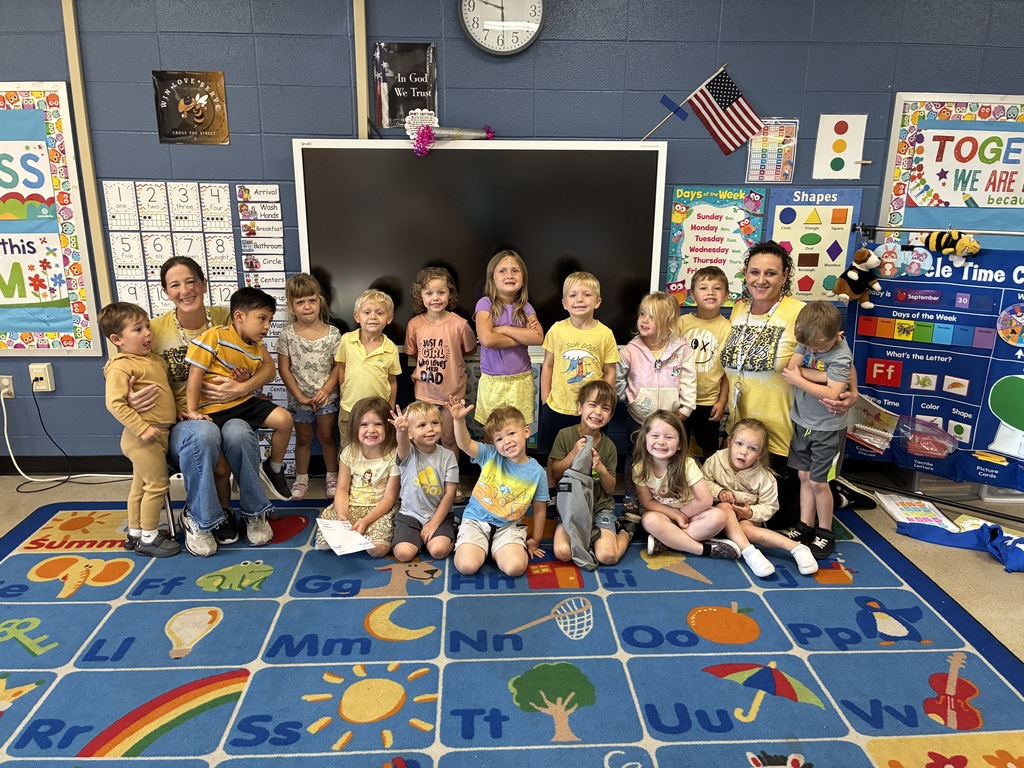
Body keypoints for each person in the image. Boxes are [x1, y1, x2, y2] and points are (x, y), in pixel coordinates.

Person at [129, 257, 279, 557]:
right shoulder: (154, 330)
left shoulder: (229, 318)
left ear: (203, 284)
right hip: (183, 420)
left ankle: (253, 511)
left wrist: (242, 386)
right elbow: (119, 363)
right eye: (175, 285)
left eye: (191, 282)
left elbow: (268, 367)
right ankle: (199, 518)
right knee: (203, 435)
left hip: (229, 411)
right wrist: (128, 396)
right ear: (166, 292)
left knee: (239, 433)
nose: (185, 290)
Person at [719, 241, 857, 529]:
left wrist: (852, 391)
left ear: (784, 276)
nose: (761, 280)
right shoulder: (738, 310)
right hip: (742, 430)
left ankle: (838, 494)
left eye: (771, 273)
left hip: (785, 432)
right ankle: (835, 491)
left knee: (782, 519)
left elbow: (841, 355)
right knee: (739, 510)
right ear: (745, 273)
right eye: (754, 272)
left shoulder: (800, 312)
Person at [185, 287, 294, 505]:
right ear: (239, 316)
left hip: (243, 402)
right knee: (221, 468)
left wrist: (244, 383)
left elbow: (268, 369)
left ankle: (272, 468)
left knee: (284, 420)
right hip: (214, 409)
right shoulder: (216, 335)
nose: (267, 326)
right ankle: (222, 511)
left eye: (270, 320)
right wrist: (192, 410)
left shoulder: (257, 345)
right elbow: (195, 373)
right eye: (262, 318)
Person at [99, 302, 180, 558]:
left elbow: (165, 394)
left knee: (139, 486)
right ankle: (150, 536)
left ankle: (135, 533)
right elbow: (114, 403)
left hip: (157, 432)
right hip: (142, 437)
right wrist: (142, 428)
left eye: (147, 326)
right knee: (157, 484)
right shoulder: (121, 365)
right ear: (117, 339)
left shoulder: (153, 360)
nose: (147, 333)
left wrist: (176, 412)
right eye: (137, 329)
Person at [780, 301, 853, 559]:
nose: (812, 350)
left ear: (836, 335)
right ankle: (805, 525)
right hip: (803, 423)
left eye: (818, 347)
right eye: (808, 346)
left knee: (819, 482)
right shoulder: (809, 337)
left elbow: (833, 392)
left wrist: (801, 378)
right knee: (803, 476)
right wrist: (823, 376)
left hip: (828, 428)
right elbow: (791, 366)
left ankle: (825, 532)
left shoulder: (840, 354)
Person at [702, 418, 818, 578]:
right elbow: (703, 482)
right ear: (729, 442)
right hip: (717, 516)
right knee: (724, 507)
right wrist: (720, 491)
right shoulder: (716, 459)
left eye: (752, 448)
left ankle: (797, 548)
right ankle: (750, 552)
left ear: (760, 454)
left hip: (746, 519)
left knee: (747, 529)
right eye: (739, 444)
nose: (743, 452)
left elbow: (770, 506)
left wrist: (750, 514)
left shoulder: (765, 476)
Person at [448, 397, 549, 577]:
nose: (507, 441)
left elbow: (540, 509)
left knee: (514, 568)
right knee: (466, 566)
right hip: (476, 521)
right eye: (499, 438)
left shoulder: (538, 472)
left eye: (511, 433)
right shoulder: (490, 454)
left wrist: (536, 540)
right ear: (493, 443)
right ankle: (479, 545)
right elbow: (464, 444)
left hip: (508, 527)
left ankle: (495, 548)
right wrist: (458, 420)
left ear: (526, 432)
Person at [540, 271, 619, 494]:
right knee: (554, 453)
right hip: (559, 406)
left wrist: (606, 403)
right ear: (565, 303)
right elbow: (547, 366)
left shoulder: (605, 334)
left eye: (586, 294)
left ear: (598, 301)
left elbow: (609, 371)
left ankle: (589, 491)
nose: (580, 299)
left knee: (591, 450)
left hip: (592, 410)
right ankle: (553, 493)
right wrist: (546, 400)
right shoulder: (557, 329)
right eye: (573, 295)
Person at [616, 290, 695, 510]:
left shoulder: (682, 350)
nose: (644, 320)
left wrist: (686, 409)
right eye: (642, 314)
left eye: (651, 316)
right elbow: (619, 379)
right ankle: (632, 496)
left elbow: (689, 380)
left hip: (673, 419)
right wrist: (630, 400)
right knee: (635, 458)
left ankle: (668, 496)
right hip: (639, 419)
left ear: (668, 322)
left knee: (671, 459)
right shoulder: (631, 350)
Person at [633, 410, 740, 560]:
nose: (661, 442)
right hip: (665, 515)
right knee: (649, 520)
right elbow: (647, 501)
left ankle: (668, 540)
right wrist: (675, 515)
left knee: (719, 517)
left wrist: (682, 514)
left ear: (679, 444)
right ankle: (702, 549)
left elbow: (705, 500)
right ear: (645, 439)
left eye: (669, 437)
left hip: (692, 515)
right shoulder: (639, 468)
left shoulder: (687, 464)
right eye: (655, 436)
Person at [549, 381, 634, 566]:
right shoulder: (565, 435)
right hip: (571, 505)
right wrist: (572, 454)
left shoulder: (609, 446)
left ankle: (627, 530)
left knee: (607, 556)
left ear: (610, 416)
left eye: (605, 408)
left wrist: (601, 468)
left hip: (600, 507)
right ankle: (583, 533)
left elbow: (610, 488)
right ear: (580, 407)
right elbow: (555, 473)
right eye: (592, 405)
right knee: (562, 552)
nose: (597, 412)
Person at [277, 273, 342, 500]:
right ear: (291, 306)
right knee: (303, 438)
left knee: (326, 436)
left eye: (311, 300)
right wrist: (300, 396)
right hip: (299, 398)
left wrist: (326, 390)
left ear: (320, 301)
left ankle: (332, 477)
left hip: (327, 397)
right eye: (300, 302)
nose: (307, 307)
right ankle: (302, 478)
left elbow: (338, 366)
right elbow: (284, 369)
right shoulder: (287, 334)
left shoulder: (333, 334)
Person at [405, 266, 477, 463]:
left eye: (441, 292)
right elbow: (411, 351)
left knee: (448, 438)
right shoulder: (415, 324)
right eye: (429, 293)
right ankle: (425, 478)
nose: (435, 298)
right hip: (424, 392)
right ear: (421, 296)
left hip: (451, 393)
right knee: (424, 438)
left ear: (449, 294)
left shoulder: (460, 324)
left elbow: (470, 349)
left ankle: (451, 481)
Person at [314, 396, 400, 558]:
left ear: (388, 427)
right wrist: (342, 515)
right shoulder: (349, 452)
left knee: (376, 550)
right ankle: (355, 535)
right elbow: (341, 489)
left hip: (380, 509)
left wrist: (367, 520)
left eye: (378, 424)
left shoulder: (393, 456)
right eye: (364, 425)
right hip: (350, 506)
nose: (371, 430)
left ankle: (364, 535)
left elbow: (389, 498)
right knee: (324, 544)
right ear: (355, 427)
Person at [474, 249, 544, 428]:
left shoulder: (525, 307)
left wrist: (503, 329)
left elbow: (538, 337)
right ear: (492, 277)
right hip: (493, 383)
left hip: (521, 382)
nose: (509, 275)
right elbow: (488, 339)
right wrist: (522, 335)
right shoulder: (485, 304)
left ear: (523, 278)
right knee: (492, 434)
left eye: (515, 270)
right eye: (502, 270)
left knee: (520, 434)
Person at [388, 401, 459, 562]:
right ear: (410, 433)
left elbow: (450, 494)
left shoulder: (448, 456)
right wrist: (401, 430)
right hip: (409, 515)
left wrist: (434, 523)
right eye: (422, 425)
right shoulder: (407, 453)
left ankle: (450, 532)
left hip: (439, 515)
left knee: (438, 551)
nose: (430, 429)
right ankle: (417, 538)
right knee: (404, 554)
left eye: (435, 423)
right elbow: (402, 443)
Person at [337, 288, 402, 452]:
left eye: (379, 313)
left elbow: (392, 381)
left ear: (389, 318)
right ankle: (348, 477)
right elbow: (341, 368)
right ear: (357, 316)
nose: (373, 317)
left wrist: (390, 405)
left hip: (378, 410)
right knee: (348, 448)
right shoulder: (347, 340)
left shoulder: (391, 348)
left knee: (377, 448)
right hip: (349, 407)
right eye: (367, 312)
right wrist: (343, 394)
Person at [678, 266, 732, 459]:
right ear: (692, 295)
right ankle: (679, 480)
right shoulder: (681, 323)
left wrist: (722, 400)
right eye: (703, 288)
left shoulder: (727, 328)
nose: (710, 292)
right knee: (677, 443)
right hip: (680, 398)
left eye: (717, 288)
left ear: (726, 295)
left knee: (709, 444)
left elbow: (728, 371)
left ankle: (711, 481)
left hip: (708, 401)